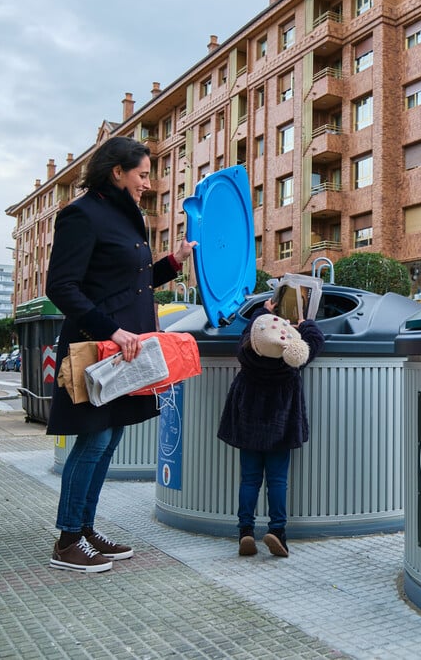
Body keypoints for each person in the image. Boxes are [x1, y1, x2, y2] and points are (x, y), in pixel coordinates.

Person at [45, 136, 197, 573]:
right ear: (117, 172)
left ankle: (86, 530)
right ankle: (68, 539)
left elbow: (129, 281)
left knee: (109, 438)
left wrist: (173, 261)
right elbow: (60, 287)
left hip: (125, 350)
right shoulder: (81, 215)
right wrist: (112, 329)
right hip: (98, 347)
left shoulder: (122, 217)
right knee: (92, 439)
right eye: (143, 174)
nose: (148, 183)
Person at [217, 299, 324, 558]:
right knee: (277, 481)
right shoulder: (290, 359)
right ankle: (278, 531)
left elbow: (251, 330)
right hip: (280, 428)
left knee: (249, 479)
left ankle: (245, 532)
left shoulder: (246, 352)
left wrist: (264, 310)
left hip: (249, 426)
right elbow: (315, 340)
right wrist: (306, 324)